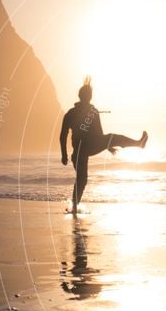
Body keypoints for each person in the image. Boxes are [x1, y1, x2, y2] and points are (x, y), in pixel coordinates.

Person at [60, 78, 148, 213]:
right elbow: (63, 135)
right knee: (82, 180)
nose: (88, 98)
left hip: (90, 146)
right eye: (87, 96)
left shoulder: (90, 112)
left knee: (113, 137)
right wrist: (64, 154)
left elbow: (99, 133)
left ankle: (138, 143)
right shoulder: (72, 114)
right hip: (80, 151)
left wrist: (108, 144)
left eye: (89, 96)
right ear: (83, 97)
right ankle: (74, 208)